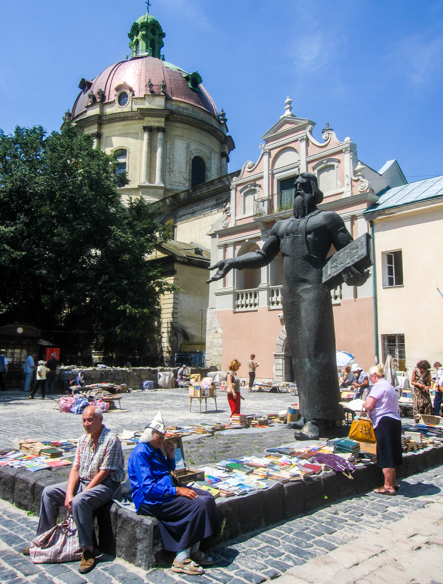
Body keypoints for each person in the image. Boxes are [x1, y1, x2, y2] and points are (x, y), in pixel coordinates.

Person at [208, 172, 369, 436]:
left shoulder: (328, 219)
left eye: (303, 188)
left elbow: (352, 253)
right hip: (290, 292)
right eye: (295, 188)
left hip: (316, 288)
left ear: (315, 191)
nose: (298, 191)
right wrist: (232, 262)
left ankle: (320, 418)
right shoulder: (281, 227)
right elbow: (262, 255)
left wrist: (358, 275)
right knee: (300, 353)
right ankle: (307, 413)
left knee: (316, 350)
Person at [23, 405, 125, 574]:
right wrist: (69, 493)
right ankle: (44, 540)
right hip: (84, 481)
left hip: (105, 484)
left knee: (80, 501)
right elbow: (76, 468)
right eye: (84, 420)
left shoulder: (111, 440)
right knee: (49, 493)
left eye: (90, 420)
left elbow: (104, 472)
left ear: (100, 420)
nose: (86, 424)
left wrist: (81, 493)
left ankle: (87, 550)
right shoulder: (83, 440)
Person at [128, 412, 220, 576]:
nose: (162, 439)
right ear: (150, 434)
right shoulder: (141, 453)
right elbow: (148, 487)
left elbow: (166, 473)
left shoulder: (155, 449)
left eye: (163, 436)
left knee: (207, 498)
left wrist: (170, 456)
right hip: (150, 500)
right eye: (159, 436)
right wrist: (177, 490)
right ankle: (181, 558)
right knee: (197, 506)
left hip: (165, 491)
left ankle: (194, 550)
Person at [363, 364, 402, 495]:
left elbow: (369, 405)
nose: (370, 379)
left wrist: (363, 403)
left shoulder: (379, 386)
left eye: (370, 377)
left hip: (383, 421)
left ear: (374, 376)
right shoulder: (389, 386)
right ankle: (393, 482)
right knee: (392, 452)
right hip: (394, 420)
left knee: (385, 452)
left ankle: (388, 486)